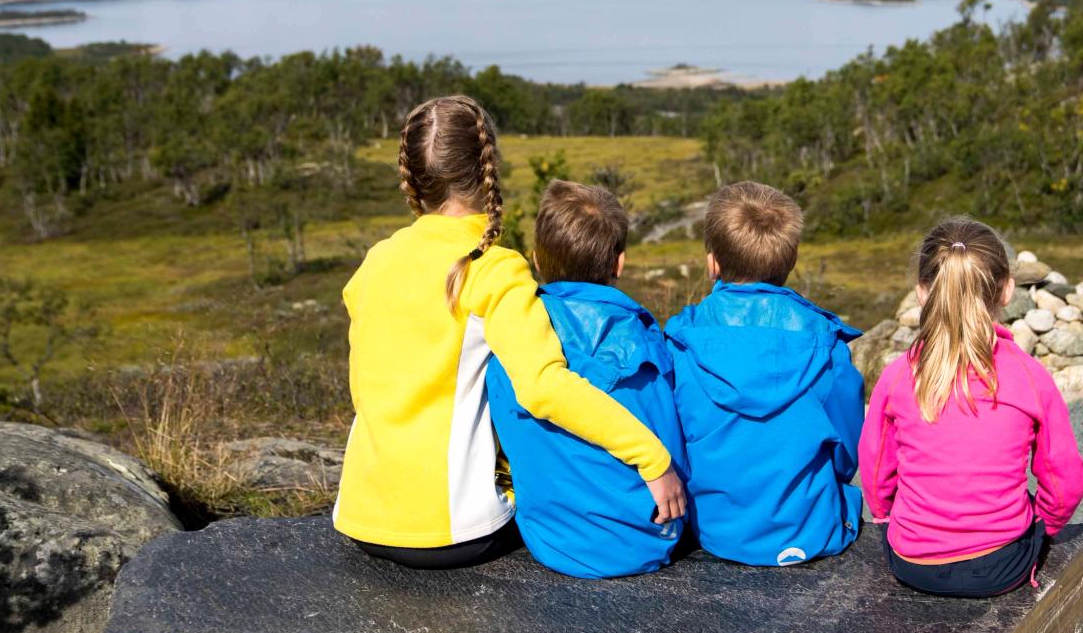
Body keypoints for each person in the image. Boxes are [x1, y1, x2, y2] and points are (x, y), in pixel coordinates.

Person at [332, 95, 683, 568]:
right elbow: (545, 389)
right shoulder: (494, 268)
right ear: (489, 165)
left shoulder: (377, 260)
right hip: (454, 531)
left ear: (412, 174)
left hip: (361, 517)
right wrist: (653, 459)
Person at [858, 216, 1083, 597]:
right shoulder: (1028, 376)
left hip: (911, 562)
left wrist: (885, 518)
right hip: (998, 566)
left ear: (921, 291)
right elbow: (1065, 480)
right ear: (1007, 290)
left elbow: (876, 466)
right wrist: (1044, 526)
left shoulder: (899, 375)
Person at [487, 180, 686, 578]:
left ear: (537, 259)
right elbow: (673, 446)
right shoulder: (645, 342)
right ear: (620, 262)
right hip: (648, 538)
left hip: (551, 541)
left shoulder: (513, 343)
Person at [665, 181, 864, 566]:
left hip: (715, 532)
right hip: (812, 530)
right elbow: (845, 452)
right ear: (790, 261)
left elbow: (674, 445)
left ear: (712, 262)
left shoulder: (680, 343)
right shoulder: (827, 346)